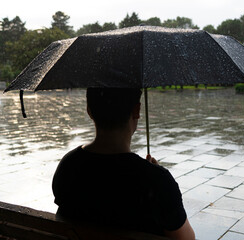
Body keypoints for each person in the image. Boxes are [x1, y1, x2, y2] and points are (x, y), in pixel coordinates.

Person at [52, 88, 195, 240]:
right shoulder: (156, 181)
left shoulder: (68, 166)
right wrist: (155, 173)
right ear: (137, 110)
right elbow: (187, 238)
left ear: (89, 111)